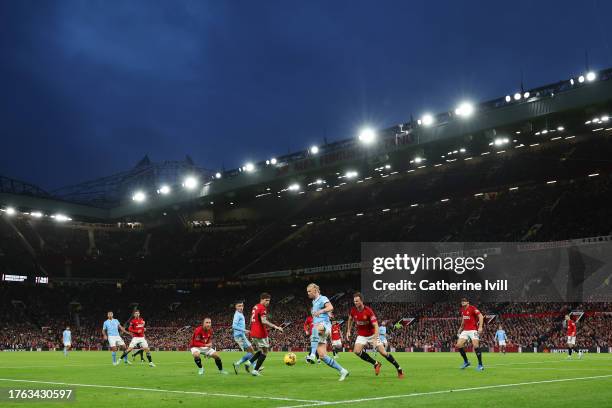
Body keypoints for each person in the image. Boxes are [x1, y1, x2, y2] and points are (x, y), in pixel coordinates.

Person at [346, 292, 403, 378]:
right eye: (354, 301)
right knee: (356, 351)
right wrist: (348, 330)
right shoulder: (353, 310)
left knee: (383, 353)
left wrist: (375, 339)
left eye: (357, 301)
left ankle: (399, 369)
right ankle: (376, 363)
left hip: (372, 334)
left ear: (361, 301)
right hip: (361, 335)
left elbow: (376, 325)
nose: (355, 303)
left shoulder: (368, 311)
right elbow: (350, 319)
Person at [306, 283, 349, 381]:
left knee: (314, 329)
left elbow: (330, 307)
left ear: (315, 291)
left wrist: (321, 312)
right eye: (307, 291)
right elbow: (326, 311)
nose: (308, 293)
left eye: (309, 291)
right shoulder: (314, 302)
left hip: (325, 325)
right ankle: (343, 371)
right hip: (320, 330)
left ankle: (312, 355)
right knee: (322, 356)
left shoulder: (322, 298)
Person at [248, 293, 283, 376]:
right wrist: (276, 327)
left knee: (261, 350)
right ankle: (255, 370)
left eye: (269, 301)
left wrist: (251, 330)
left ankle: (249, 362)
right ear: (262, 299)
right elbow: (263, 321)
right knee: (265, 352)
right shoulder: (262, 308)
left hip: (254, 332)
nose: (268, 302)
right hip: (260, 333)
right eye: (266, 300)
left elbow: (251, 320)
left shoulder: (255, 306)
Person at [456, 297, 485, 371]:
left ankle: (480, 365)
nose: (462, 302)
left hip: (473, 330)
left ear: (468, 302)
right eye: (462, 301)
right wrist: (460, 328)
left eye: (464, 301)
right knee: (459, 345)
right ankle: (466, 362)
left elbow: (481, 316)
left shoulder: (472, 308)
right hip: (465, 330)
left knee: (475, 345)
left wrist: (480, 327)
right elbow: (464, 319)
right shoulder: (462, 310)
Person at [232, 301, 255, 373]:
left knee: (250, 352)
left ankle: (237, 364)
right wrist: (244, 330)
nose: (241, 307)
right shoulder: (237, 315)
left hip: (240, 335)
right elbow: (234, 326)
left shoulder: (240, 314)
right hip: (239, 335)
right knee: (251, 351)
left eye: (242, 306)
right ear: (236, 307)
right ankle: (255, 367)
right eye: (239, 306)